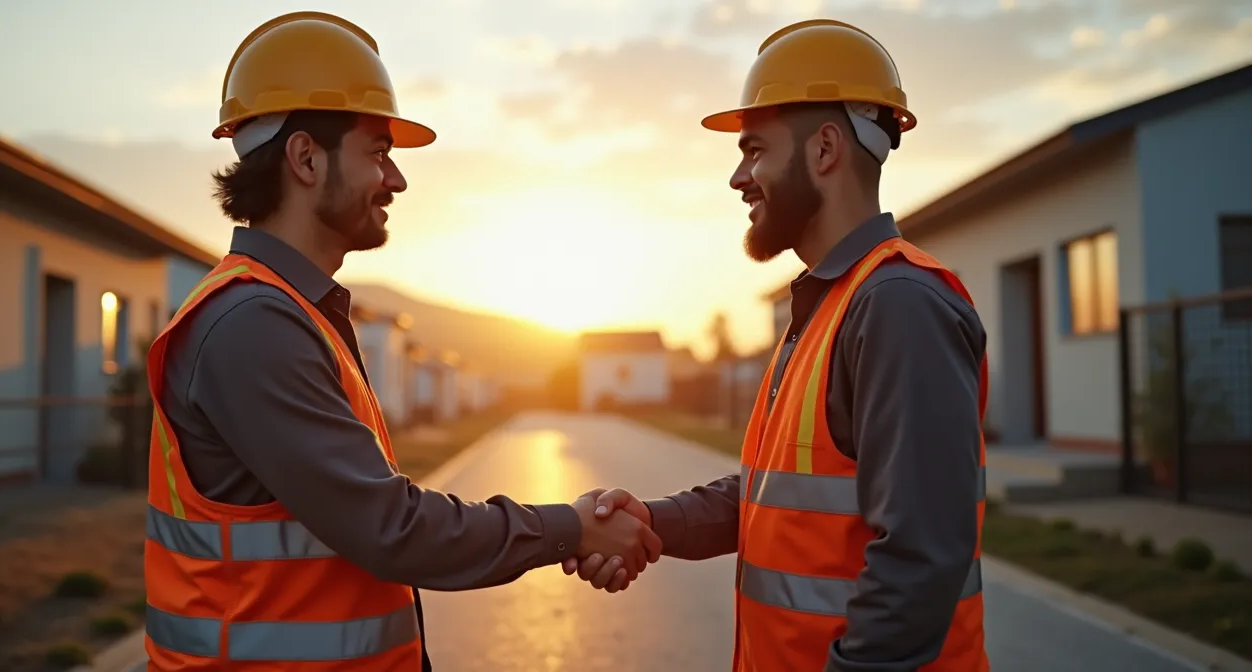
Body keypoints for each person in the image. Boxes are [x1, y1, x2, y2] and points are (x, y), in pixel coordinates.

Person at [141, 11, 660, 671]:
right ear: (305, 158)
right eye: (377, 153)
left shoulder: (294, 312)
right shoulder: (252, 325)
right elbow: (394, 529)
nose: (397, 180)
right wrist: (574, 526)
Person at [563, 19, 991, 672]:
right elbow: (773, 496)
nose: (740, 177)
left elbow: (921, 555)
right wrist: (650, 520)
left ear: (824, 150)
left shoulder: (898, 306)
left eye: (755, 150)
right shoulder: (828, 306)